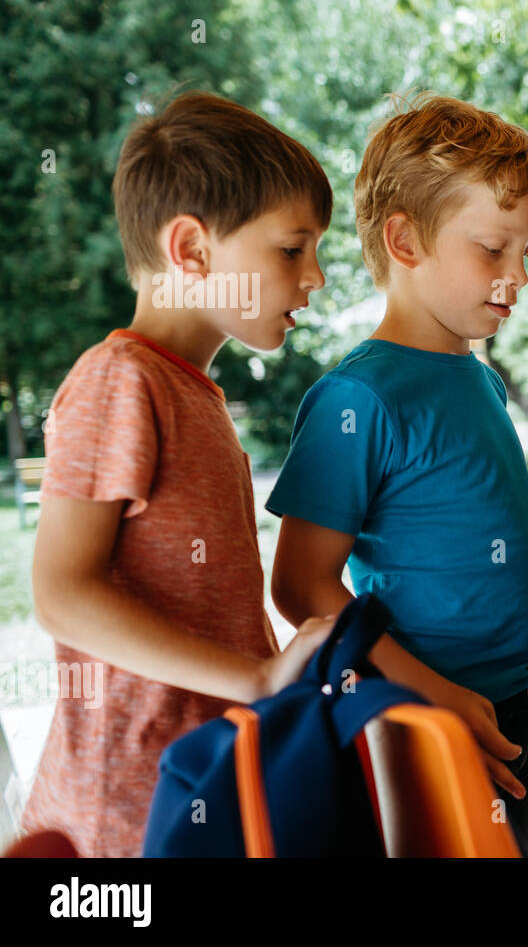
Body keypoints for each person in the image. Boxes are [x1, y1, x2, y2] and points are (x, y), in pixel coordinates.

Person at [22, 91, 337, 857]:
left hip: (207, 786)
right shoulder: (118, 379)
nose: (317, 278)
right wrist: (256, 681)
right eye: (292, 249)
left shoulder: (192, 393)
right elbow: (62, 593)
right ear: (192, 250)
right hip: (126, 811)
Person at [267, 94, 528, 856]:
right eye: (494, 250)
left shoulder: (481, 380)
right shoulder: (357, 397)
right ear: (404, 240)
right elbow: (302, 586)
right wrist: (433, 692)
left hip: (512, 709)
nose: (518, 275)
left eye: (526, 252)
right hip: (425, 715)